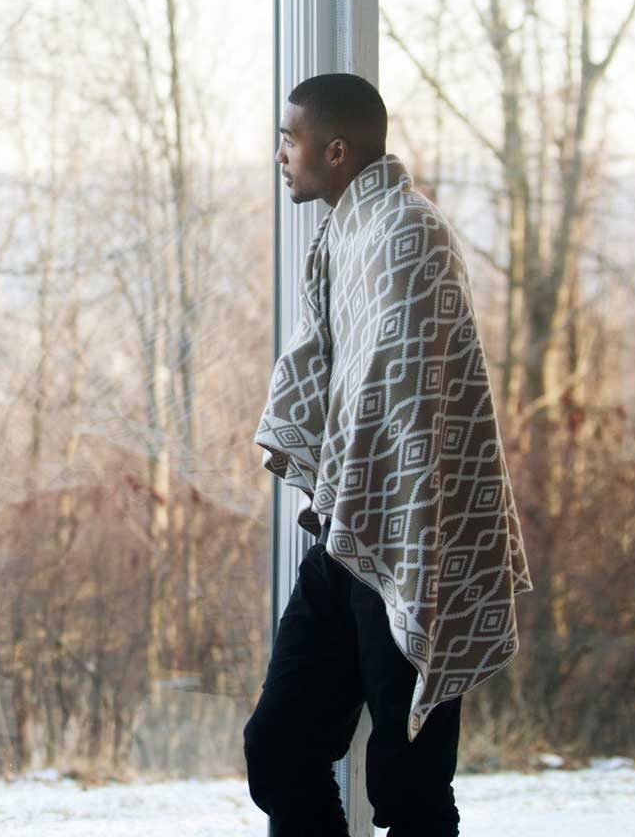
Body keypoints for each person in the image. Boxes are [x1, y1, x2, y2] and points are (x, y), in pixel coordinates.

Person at [243, 73, 532, 837]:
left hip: (416, 542)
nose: (279, 153)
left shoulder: (410, 233)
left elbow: (414, 408)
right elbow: (345, 373)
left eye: (289, 138)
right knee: (278, 747)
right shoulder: (347, 231)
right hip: (346, 534)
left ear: (334, 150)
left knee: (407, 788)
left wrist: (372, 498)